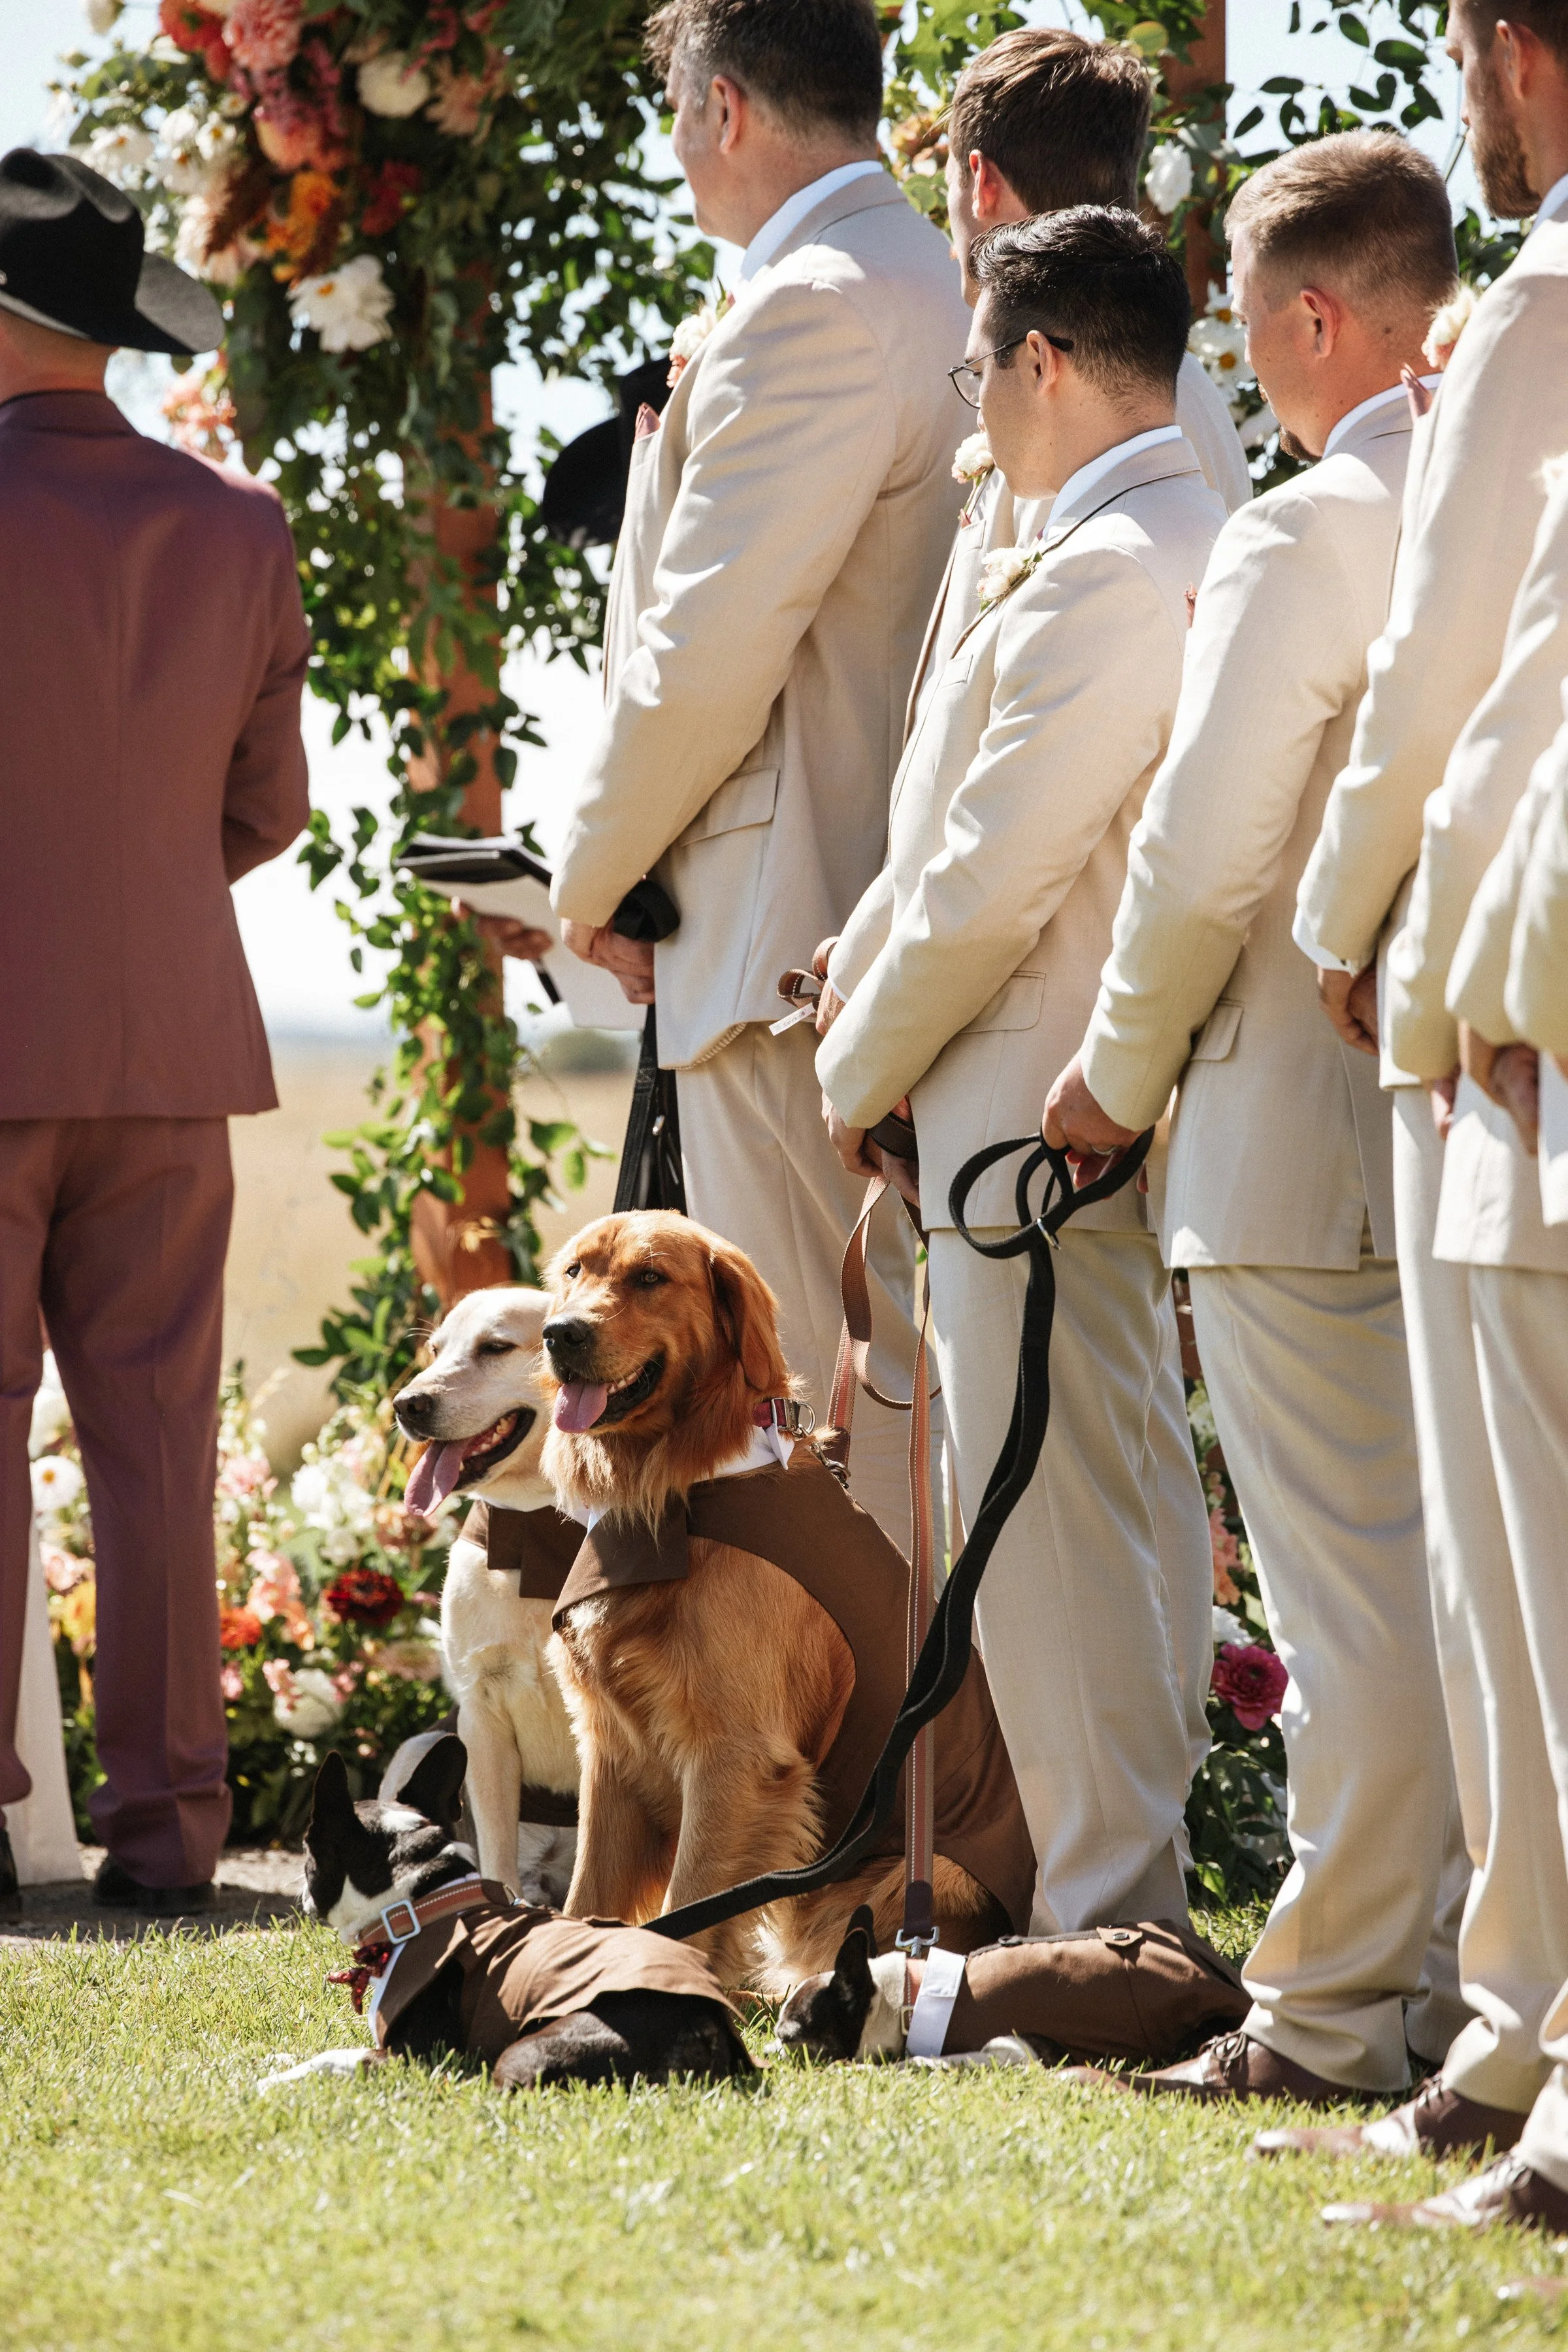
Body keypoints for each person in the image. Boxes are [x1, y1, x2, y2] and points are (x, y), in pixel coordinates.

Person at [1042, 133, 1471, 2104]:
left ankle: (1324, 2014)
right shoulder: (1505, 507)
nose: (1222, 335)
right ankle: (1486, 1987)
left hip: (1292, 1141)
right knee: (1469, 1590)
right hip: (1460, 1112)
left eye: (1234, 299)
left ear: (1312, 318)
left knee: (1345, 1602)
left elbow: (1207, 861)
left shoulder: (1308, 533)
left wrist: (1111, 1082)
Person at [817, 20, 1248, 1812]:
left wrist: (853, 1066)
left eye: (980, 366)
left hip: (1030, 1082)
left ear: (1052, 360)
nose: (967, 400)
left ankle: (1103, 1902)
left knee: (1054, 1518)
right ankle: (1116, 1902)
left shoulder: (1117, 559)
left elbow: (993, 871)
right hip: (1033, 1076)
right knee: (1102, 1494)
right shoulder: (1101, 526)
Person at [547, 0, 968, 1547]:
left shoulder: (812, 303)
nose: (673, 152)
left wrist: (587, 883)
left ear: (722, 110)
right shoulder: (942, 280)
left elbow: (697, 662)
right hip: (887, 917)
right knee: (897, 1400)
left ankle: (868, 1785)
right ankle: (933, 1781)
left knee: (814, 1431)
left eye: (672, 117)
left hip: (786, 943)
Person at [1280, 0, 1568, 2197]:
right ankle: (1517, 2020)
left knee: (1524, 1585)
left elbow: (1453, 670)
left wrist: (1346, 924)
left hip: (1508, 993)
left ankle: (1534, 2043)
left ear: (1516, 52)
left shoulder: (1546, 297)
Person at [0, 150, 310, 1915]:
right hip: (170, 1050)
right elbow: (267, 807)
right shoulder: (237, 526)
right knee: (157, 1443)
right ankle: (171, 1833)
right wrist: (129, 892)